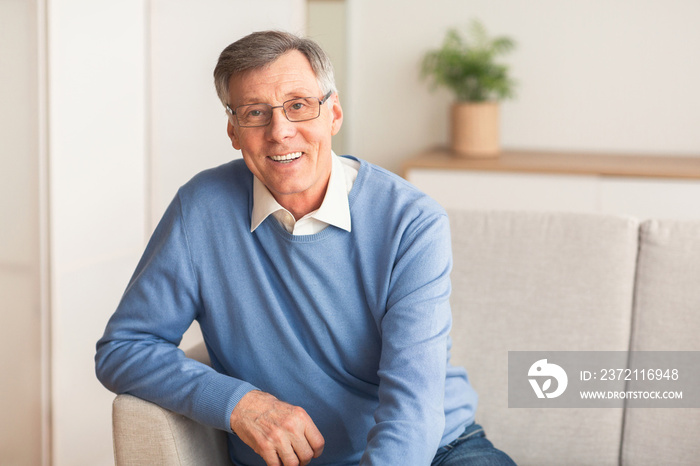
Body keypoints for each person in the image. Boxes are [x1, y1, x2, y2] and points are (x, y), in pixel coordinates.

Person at [95, 30, 515, 466]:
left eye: (298, 106)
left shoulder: (411, 222)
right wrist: (240, 403)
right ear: (233, 130)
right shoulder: (200, 210)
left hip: (434, 451)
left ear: (333, 113)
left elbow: (413, 408)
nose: (280, 132)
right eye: (255, 113)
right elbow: (123, 347)